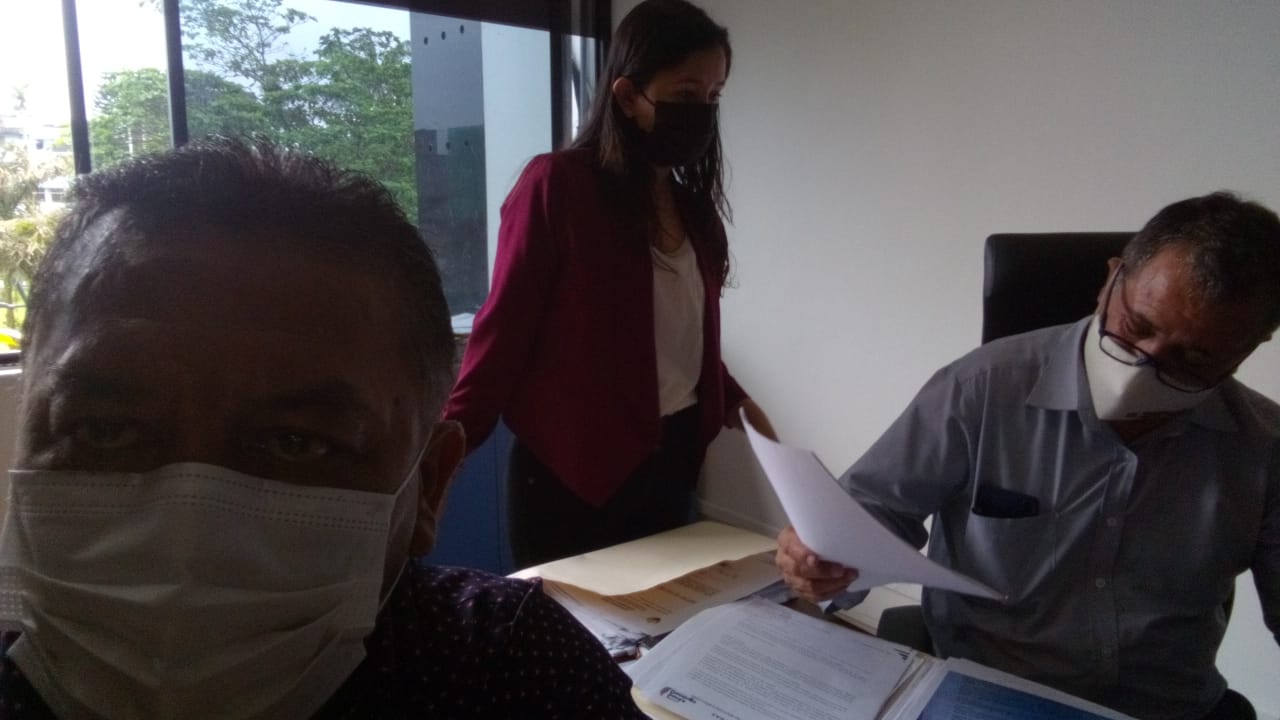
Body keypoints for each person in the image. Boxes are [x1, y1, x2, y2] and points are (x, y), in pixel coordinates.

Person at [0, 138, 646, 719]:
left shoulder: (514, 673)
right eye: (106, 430)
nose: (188, 532)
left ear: (430, 484)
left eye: (296, 443)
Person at [776, 192, 1280, 720]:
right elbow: (870, 511)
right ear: (1111, 278)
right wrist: (822, 556)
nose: (1146, 366)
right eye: (1137, 327)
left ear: (1248, 348)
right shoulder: (980, 389)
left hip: (1163, 708)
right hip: (991, 694)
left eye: (1193, 359)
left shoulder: (1263, 448)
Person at [445, 0, 774, 568]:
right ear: (627, 96)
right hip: (569, 479)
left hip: (669, 469)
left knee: (663, 622)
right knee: (568, 625)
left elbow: (680, 347)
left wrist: (746, 412)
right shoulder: (557, 188)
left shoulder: (695, 213)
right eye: (686, 92)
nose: (702, 111)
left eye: (714, 95)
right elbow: (502, 339)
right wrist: (440, 455)